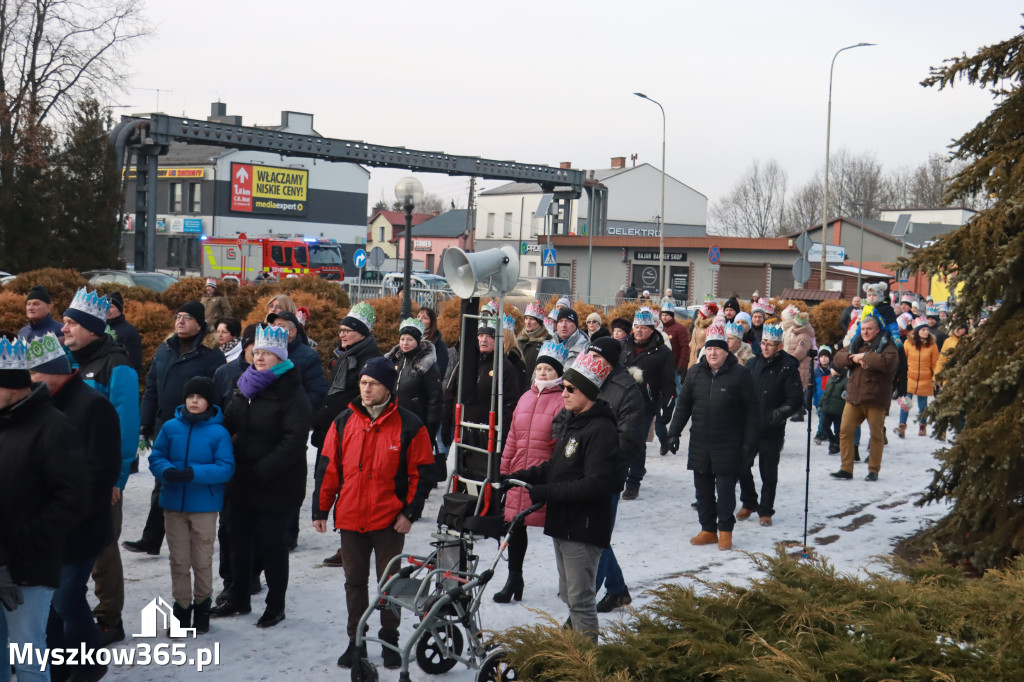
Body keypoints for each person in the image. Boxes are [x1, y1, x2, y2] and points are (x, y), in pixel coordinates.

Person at [313, 357, 434, 669]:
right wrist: (321, 508)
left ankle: (389, 639)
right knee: (354, 582)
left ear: (387, 388)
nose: (366, 389)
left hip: (389, 520)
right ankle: (356, 640)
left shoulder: (410, 424)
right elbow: (328, 467)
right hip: (352, 518)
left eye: (373, 384)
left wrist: (410, 513)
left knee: (391, 583)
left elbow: (422, 473)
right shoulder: (343, 420)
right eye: (363, 383)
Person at [506, 353, 617, 643]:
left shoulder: (601, 429)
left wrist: (547, 492)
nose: (563, 393)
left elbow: (595, 484)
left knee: (581, 601)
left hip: (583, 527)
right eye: (564, 387)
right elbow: (556, 465)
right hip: (563, 523)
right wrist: (525, 475)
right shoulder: (573, 420)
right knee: (570, 596)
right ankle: (577, 654)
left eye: (570, 389)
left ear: (589, 393)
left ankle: (587, 663)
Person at [27, 333, 120, 682]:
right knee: (50, 604)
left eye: (36, 375)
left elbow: (102, 470)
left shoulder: (92, 405)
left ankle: (88, 664)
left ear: (56, 372)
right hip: (51, 523)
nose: (31, 382)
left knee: (67, 599)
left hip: (81, 526)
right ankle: (59, 662)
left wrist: (70, 512)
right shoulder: (44, 404)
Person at [0, 336, 87, 682]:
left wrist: (21, 546)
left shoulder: (53, 427)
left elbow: (73, 500)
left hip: (28, 569)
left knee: (27, 655)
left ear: (12, 386)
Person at [212, 324, 312, 627]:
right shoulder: (246, 385)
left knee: (272, 545)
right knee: (238, 542)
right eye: (257, 352)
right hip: (242, 479)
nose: (260, 358)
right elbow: (230, 420)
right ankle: (239, 597)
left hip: (277, 484)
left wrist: (261, 471)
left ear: (280, 358)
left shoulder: (292, 392)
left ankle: (275, 605)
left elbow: (294, 441)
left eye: (267, 353)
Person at [60, 287, 140, 647]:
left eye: (71, 323)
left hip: (102, 477)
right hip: (66, 476)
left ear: (92, 329)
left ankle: (109, 617)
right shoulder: (66, 361)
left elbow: (124, 428)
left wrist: (116, 478)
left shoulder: (116, 365)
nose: (64, 330)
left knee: (102, 547)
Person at [126, 301, 225, 556]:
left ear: (200, 324)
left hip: (196, 428)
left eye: (187, 317)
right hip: (165, 426)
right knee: (163, 480)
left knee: (191, 481)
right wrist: (145, 422)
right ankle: (152, 539)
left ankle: (194, 539)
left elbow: (217, 394)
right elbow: (151, 388)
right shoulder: (164, 349)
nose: (180, 321)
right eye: (178, 316)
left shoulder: (210, 354)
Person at [148, 376, 234, 636]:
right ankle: (181, 608)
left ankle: (202, 606)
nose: (194, 401)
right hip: (174, 504)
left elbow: (226, 468)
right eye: (190, 396)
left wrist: (193, 473)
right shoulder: (171, 427)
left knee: (202, 560)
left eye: (200, 397)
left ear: (209, 401)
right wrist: (167, 471)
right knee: (178, 561)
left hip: (204, 506)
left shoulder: (218, 432)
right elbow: (157, 456)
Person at [667, 324, 758, 551]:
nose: (713, 353)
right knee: (703, 490)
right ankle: (708, 529)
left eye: (717, 349)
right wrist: (673, 432)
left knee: (726, 490)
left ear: (727, 351)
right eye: (709, 349)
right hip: (700, 442)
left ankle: (725, 531)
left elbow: (753, 412)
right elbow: (683, 405)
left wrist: (749, 443)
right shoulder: (695, 373)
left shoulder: (740, 374)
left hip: (729, 443)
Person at [494, 340, 568, 604]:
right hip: (520, 471)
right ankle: (514, 578)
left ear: (558, 372)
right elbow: (513, 437)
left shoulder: (563, 399)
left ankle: (568, 581)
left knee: (560, 528)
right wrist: (504, 470)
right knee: (515, 525)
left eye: (549, 369)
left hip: (548, 474)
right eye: (540, 369)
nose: (543, 373)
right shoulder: (526, 397)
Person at [314, 302, 381, 568]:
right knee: (336, 485)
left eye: (348, 331)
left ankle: (351, 546)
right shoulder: (343, 357)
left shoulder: (369, 360)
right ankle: (349, 543)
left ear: (362, 333)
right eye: (340, 330)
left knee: (351, 490)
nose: (342, 335)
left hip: (355, 433)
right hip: (334, 430)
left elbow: (364, 400)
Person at [585, 338, 644, 614]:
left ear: (610, 362)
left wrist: (598, 463)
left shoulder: (628, 390)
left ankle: (580, 611)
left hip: (605, 477)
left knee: (595, 539)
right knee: (594, 536)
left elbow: (628, 441)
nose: (592, 363)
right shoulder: (586, 379)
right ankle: (618, 590)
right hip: (579, 472)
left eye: (598, 359)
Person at [736, 323, 803, 526]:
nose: (765, 347)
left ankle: (766, 510)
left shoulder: (787, 368)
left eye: (770, 344)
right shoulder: (751, 364)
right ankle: (749, 502)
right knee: (741, 466)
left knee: (768, 472)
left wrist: (780, 413)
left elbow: (795, 399)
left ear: (779, 347)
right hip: (749, 425)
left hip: (772, 428)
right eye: (763, 343)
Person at [830, 315, 900, 481]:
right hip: (854, 396)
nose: (865, 332)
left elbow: (888, 363)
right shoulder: (856, 344)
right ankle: (846, 468)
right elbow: (838, 358)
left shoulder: (887, 345)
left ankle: (873, 470)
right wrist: (851, 358)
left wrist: (863, 357)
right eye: (863, 329)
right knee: (845, 430)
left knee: (876, 435)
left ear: (877, 330)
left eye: (869, 329)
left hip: (876, 398)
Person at [621, 307, 675, 497]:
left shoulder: (662, 352)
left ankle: (633, 481)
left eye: (644, 327)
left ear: (652, 330)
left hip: (645, 403)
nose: (639, 330)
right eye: (636, 326)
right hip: (620, 402)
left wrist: (668, 407)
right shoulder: (623, 346)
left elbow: (669, 382)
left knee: (637, 441)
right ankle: (621, 473)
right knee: (619, 439)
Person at [384, 317, 443, 480]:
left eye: (409, 339)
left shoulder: (427, 364)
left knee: (413, 458)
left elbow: (435, 396)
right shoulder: (395, 360)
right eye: (402, 339)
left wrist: (431, 425)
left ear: (417, 341)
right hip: (394, 417)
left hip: (417, 418)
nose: (405, 343)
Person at [268, 310, 329, 412]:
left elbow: (317, 393)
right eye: (273, 325)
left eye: (280, 326)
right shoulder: (264, 353)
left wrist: (295, 412)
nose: (274, 329)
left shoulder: (309, 357)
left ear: (292, 332)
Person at [895, 316, 940, 439]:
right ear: (917, 331)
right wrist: (900, 377)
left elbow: (936, 363)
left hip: (925, 378)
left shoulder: (932, 345)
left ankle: (922, 425)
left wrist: (936, 379)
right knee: (906, 403)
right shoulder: (908, 344)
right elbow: (903, 362)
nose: (926, 332)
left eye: (927, 329)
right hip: (910, 377)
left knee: (923, 405)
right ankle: (902, 426)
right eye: (923, 329)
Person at [214, 324, 257, 406]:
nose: (260, 347)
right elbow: (216, 408)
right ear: (245, 346)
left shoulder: (278, 372)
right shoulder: (224, 372)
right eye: (255, 343)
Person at [106, 291, 143, 373]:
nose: (107, 309)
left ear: (119, 310)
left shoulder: (129, 331)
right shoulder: (99, 327)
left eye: (111, 307)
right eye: (105, 306)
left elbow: (135, 360)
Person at [517, 301, 551, 377]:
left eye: (532, 319)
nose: (528, 322)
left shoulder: (548, 341)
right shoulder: (519, 339)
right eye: (526, 318)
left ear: (539, 322)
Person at [416, 306, 448, 379]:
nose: (420, 320)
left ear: (431, 322)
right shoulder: (409, 340)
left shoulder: (439, 345)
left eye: (425, 318)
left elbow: (440, 372)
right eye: (418, 316)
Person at [660, 303, 691, 374]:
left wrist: (681, 365)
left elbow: (685, 348)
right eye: (662, 315)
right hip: (662, 366)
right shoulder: (660, 328)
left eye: (666, 315)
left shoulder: (680, 328)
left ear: (672, 316)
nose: (664, 318)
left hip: (675, 366)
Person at [813, 346, 834, 444]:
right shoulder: (816, 372)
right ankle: (826, 433)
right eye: (821, 357)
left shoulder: (833, 371)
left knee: (824, 418)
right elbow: (812, 388)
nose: (824, 359)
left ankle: (820, 433)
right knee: (822, 417)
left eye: (826, 356)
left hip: (830, 400)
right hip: (819, 399)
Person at [688, 302, 718, 368]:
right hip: (692, 361)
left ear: (703, 316)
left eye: (699, 313)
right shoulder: (696, 327)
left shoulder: (709, 328)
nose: (697, 314)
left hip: (701, 361)